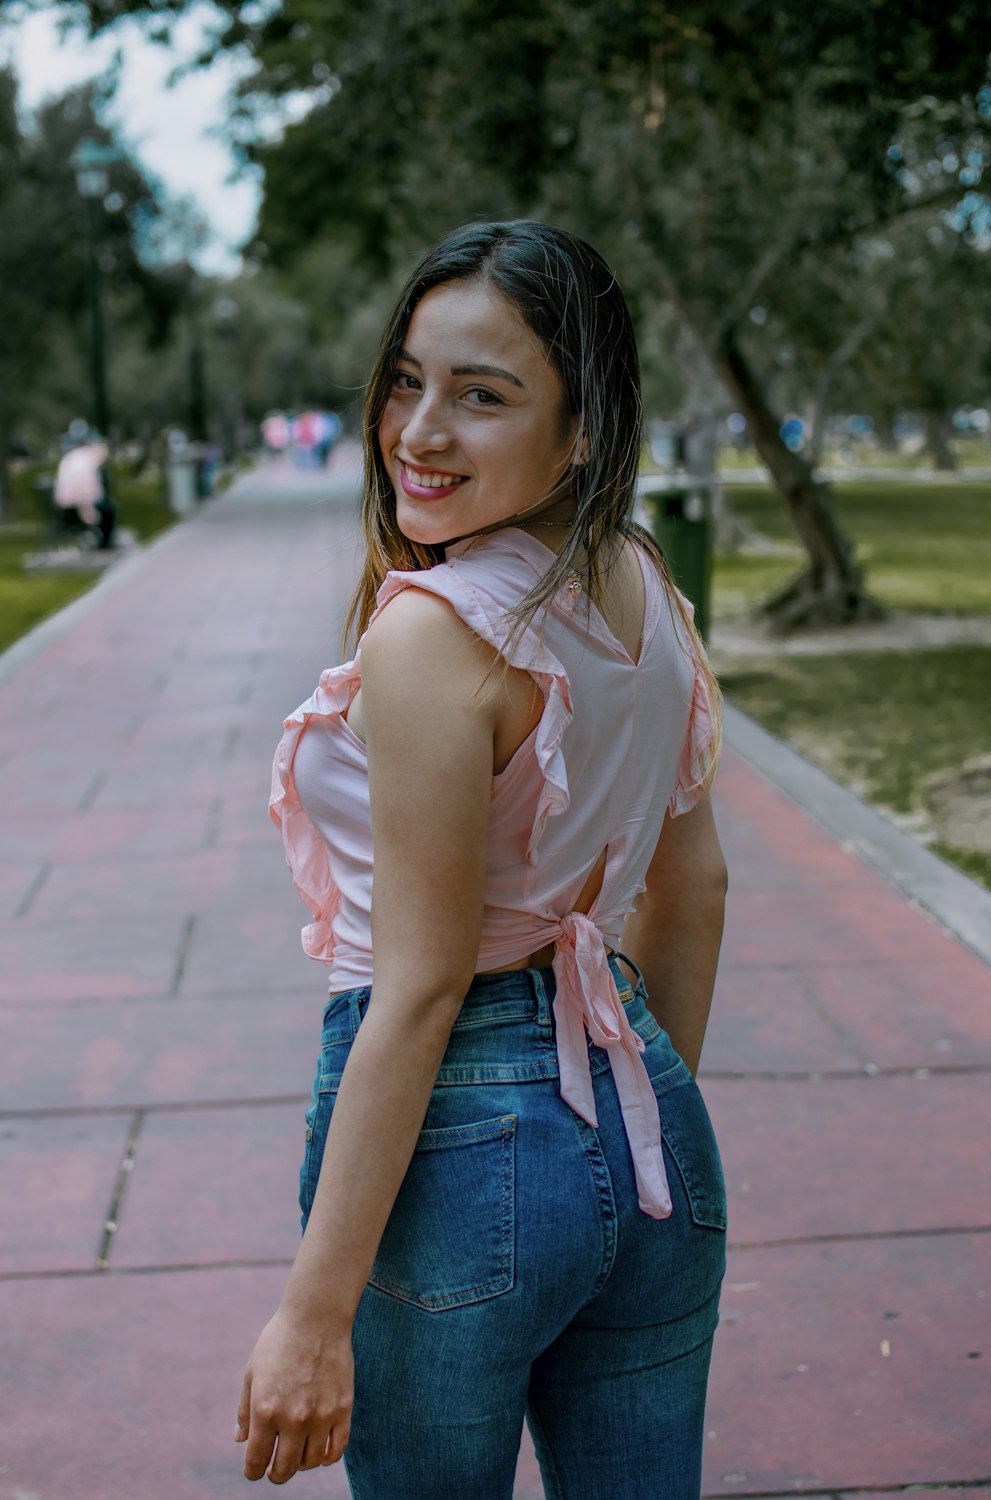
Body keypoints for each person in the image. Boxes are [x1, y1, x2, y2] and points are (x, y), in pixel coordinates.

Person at [236, 220, 728, 1498]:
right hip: (645, 1101)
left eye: (482, 395)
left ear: (582, 429)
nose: (418, 430)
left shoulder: (436, 639)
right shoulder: (645, 589)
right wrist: (633, 1144)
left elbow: (421, 986)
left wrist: (311, 1314)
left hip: (459, 1145)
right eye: (406, 379)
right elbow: (696, 888)